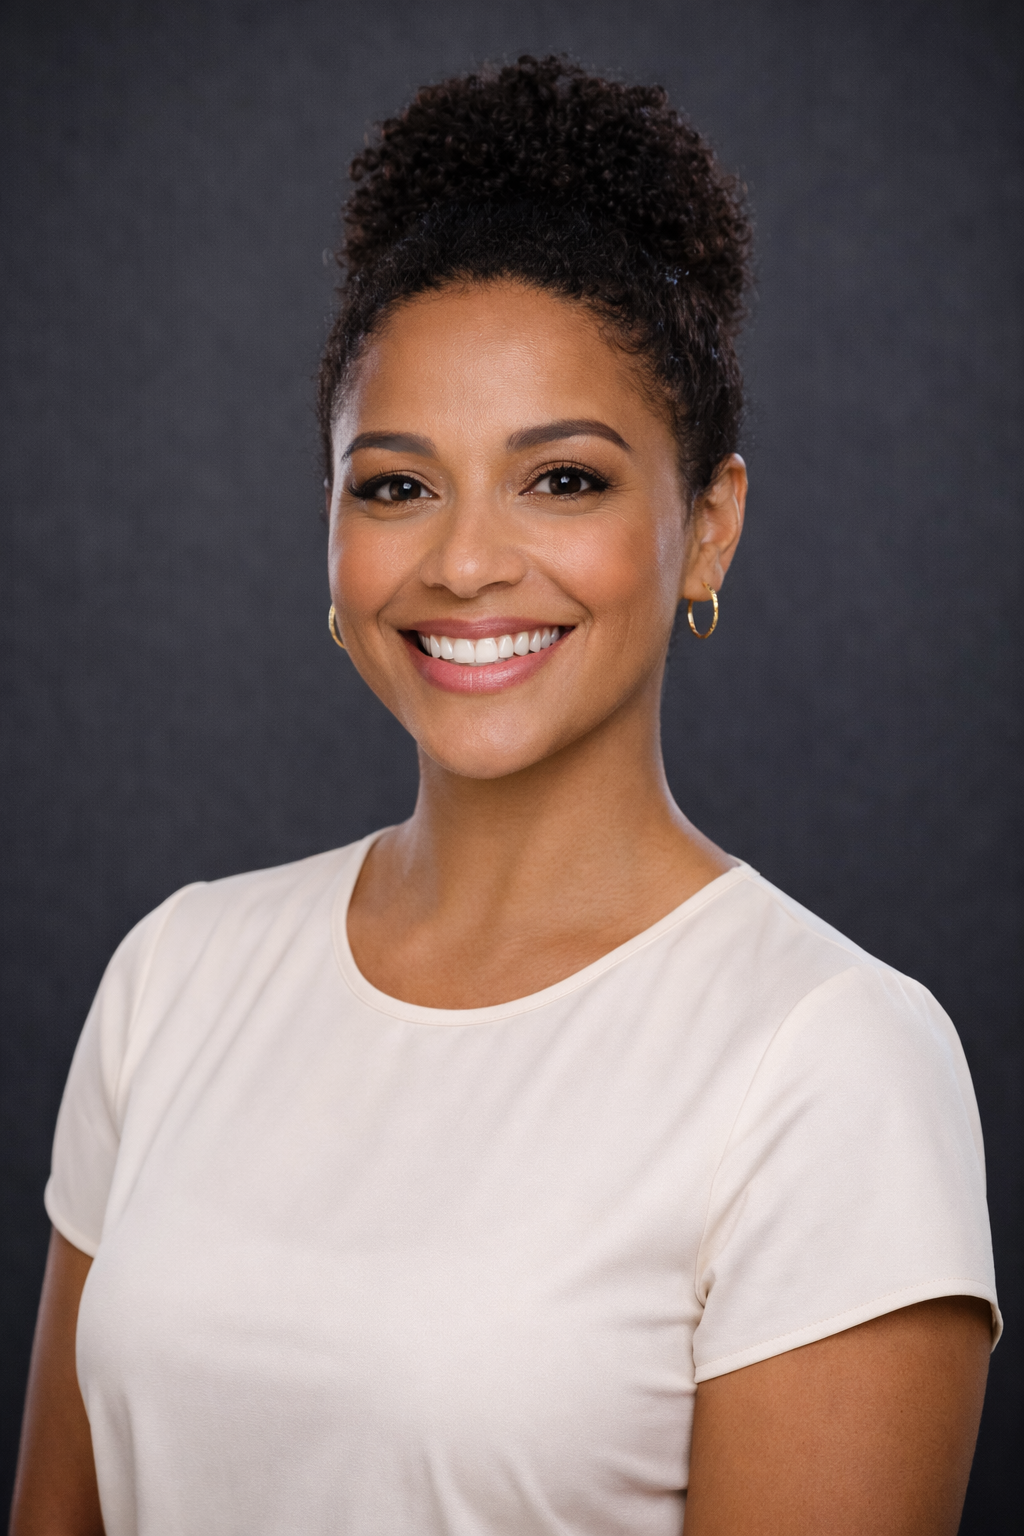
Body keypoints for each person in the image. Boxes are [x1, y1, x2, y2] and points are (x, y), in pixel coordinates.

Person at [11, 55, 999, 1536]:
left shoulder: (828, 1060)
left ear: (708, 527)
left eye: (563, 481)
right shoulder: (177, 977)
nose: (465, 563)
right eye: (396, 485)